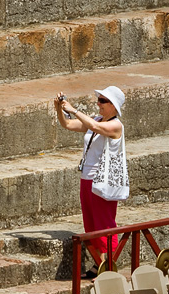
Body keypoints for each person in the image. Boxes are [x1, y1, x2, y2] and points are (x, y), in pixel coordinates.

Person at [54, 86, 126, 278]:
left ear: (113, 105)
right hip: (87, 178)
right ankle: (98, 265)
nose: (98, 104)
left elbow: (95, 128)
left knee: (104, 224)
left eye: (103, 101)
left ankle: (109, 268)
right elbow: (68, 125)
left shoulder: (116, 125)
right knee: (91, 223)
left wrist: (74, 110)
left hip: (103, 181)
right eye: (99, 100)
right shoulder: (95, 119)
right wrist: (59, 109)